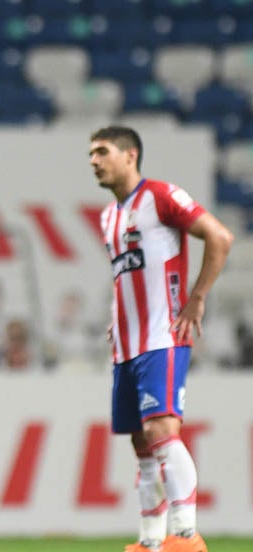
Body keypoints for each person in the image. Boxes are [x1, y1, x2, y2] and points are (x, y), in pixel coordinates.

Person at [89, 126, 234, 552]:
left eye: (102, 152)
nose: (94, 161)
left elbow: (219, 236)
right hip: (126, 345)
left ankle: (186, 535)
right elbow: (129, 274)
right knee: (142, 443)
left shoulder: (162, 195)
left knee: (161, 429)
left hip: (161, 336)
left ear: (130, 155)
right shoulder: (108, 216)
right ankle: (150, 542)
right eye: (91, 154)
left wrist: (197, 299)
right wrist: (117, 318)